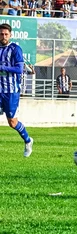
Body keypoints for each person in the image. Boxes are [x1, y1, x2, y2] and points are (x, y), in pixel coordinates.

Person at [0, 24, 33, 157]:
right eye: (1, 34)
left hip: (11, 90)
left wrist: (2, 67)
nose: (3, 36)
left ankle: (28, 140)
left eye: (6, 34)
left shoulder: (15, 49)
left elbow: (19, 69)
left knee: (12, 122)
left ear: (10, 35)